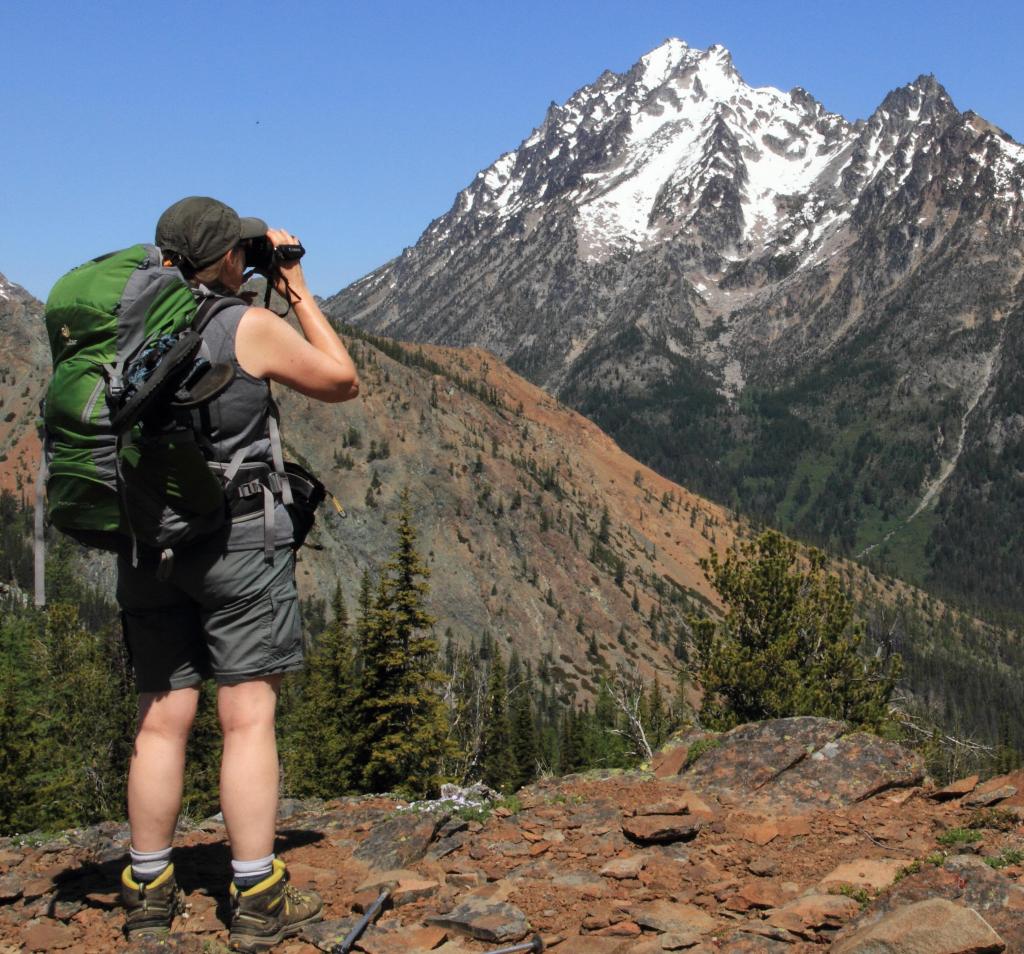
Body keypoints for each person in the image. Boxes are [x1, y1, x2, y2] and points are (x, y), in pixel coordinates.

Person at [117, 196, 359, 951]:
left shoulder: (125, 324)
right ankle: (255, 895)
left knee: (163, 717)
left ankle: (148, 888)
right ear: (229, 257)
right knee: (246, 717)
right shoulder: (243, 325)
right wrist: (292, 286)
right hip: (236, 545)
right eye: (240, 252)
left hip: (149, 545)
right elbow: (340, 378)